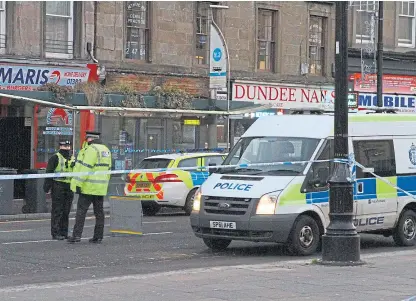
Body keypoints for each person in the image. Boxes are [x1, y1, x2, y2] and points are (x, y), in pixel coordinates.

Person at [68, 131, 112, 244]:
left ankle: (76, 236)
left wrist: (78, 184)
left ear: (90, 139)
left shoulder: (91, 150)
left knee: (81, 212)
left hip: (88, 187)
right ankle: (98, 236)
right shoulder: (106, 150)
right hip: (100, 188)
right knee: (99, 213)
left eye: (87, 139)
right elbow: (108, 169)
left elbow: (85, 169)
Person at [43, 140, 75, 240]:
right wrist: (47, 187)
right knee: (57, 210)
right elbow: (49, 172)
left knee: (66, 211)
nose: (66, 147)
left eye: (68, 146)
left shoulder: (73, 158)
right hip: (58, 185)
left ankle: (64, 232)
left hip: (69, 186)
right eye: (64, 146)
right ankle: (55, 233)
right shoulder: (55, 157)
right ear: (60, 146)